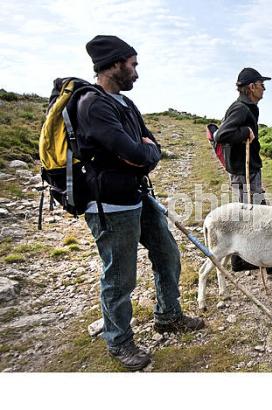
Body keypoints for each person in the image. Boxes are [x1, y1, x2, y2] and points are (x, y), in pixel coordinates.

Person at [76, 35, 204, 371]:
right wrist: (144, 154)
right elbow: (137, 151)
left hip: (138, 195)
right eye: (133, 65)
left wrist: (144, 154)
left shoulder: (124, 104)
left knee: (167, 252)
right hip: (110, 205)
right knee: (119, 277)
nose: (136, 72)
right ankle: (119, 342)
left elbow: (148, 147)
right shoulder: (93, 104)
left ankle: (167, 315)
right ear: (115, 64)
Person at [214, 67, 272, 277]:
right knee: (253, 216)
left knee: (256, 212)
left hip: (249, 169)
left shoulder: (248, 107)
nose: (264, 88)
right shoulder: (241, 108)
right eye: (261, 84)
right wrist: (245, 131)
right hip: (243, 171)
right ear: (251, 87)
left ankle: (252, 261)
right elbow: (222, 135)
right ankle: (248, 261)